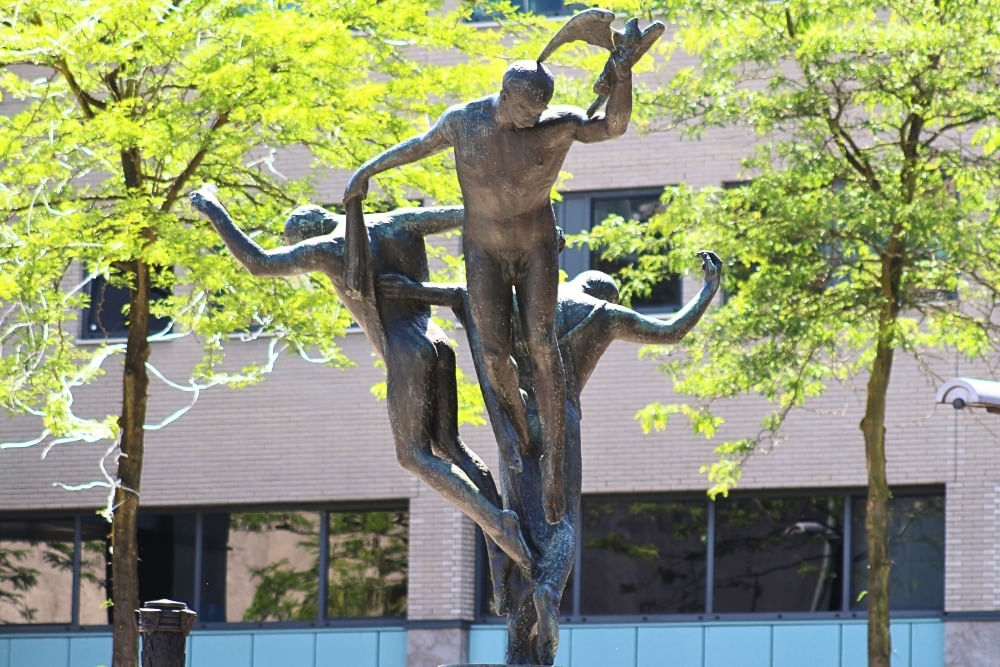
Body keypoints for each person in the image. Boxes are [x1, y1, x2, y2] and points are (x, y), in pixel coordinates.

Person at [381, 250, 722, 664]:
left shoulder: (536, 303)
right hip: (561, 421)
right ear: (607, 296)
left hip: (516, 414)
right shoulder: (603, 315)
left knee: (522, 522)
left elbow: (465, 295)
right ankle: (547, 592)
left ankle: (518, 645)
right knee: (559, 520)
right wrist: (707, 290)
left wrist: (413, 291)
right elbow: (671, 331)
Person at [343, 54, 636, 526]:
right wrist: (367, 172)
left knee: (542, 346)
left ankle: (555, 466)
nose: (531, 120)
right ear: (505, 96)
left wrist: (622, 76)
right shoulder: (464, 122)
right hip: (483, 251)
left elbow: (612, 126)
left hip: (537, 247)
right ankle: (518, 432)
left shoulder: (557, 127)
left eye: (538, 112)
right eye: (524, 111)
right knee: (496, 351)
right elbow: (418, 145)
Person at [188, 185, 533, 573]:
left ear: (305, 235)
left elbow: (259, 262)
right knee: (450, 445)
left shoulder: (328, 249)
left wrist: (215, 211)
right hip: (437, 341)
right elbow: (471, 212)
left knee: (413, 456)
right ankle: (499, 527)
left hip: (406, 349)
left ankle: (497, 523)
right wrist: (521, 222)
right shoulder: (396, 221)